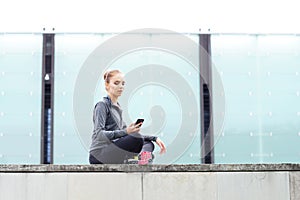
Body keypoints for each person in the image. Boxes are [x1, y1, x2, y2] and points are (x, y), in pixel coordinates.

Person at [89, 69, 166, 164]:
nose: (120, 87)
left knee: (148, 143)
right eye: (116, 83)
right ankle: (136, 159)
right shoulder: (102, 105)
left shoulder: (118, 108)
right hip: (99, 155)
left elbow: (125, 134)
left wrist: (153, 138)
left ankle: (141, 160)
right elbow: (99, 135)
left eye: (123, 84)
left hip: (113, 151)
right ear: (107, 85)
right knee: (136, 137)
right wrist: (126, 131)